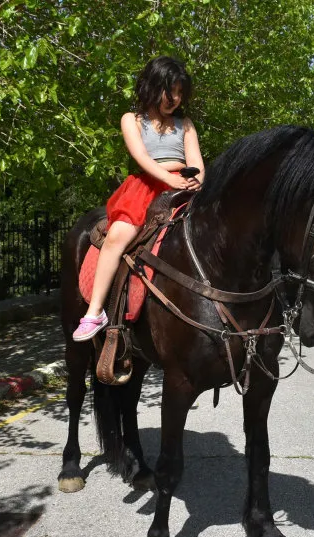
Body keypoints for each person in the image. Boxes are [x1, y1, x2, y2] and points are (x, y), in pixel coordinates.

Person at [73, 55, 205, 341]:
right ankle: (95, 311)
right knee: (117, 236)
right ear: (153, 86)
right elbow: (142, 157)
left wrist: (196, 181)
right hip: (146, 187)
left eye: (179, 92)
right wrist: (168, 177)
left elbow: (197, 161)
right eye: (169, 90)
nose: (175, 98)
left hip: (183, 187)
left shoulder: (185, 124)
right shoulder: (132, 120)